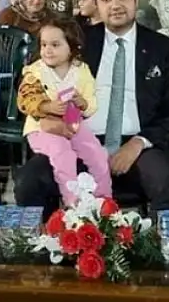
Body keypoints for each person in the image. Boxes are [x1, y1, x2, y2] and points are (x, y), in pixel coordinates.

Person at [14, 0, 169, 213]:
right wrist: (47, 116)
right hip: (76, 137)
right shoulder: (77, 40)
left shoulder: (163, 48)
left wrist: (138, 143)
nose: (115, 5)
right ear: (95, 4)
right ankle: (48, 246)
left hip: (139, 143)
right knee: (29, 180)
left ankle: (157, 250)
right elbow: (36, 77)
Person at [16, 18, 110, 204]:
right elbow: (25, 98)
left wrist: (83, 103)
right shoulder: (34, 71)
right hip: (41, 128)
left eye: (55, 44)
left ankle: (104, 200)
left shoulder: (81, 70)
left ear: (72, 47)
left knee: (97, 153)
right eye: (44, 45)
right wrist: (45, 106)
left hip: (74, 122)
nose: (47, 50)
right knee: (63, 153)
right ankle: (71, 201)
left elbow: (91, 101)